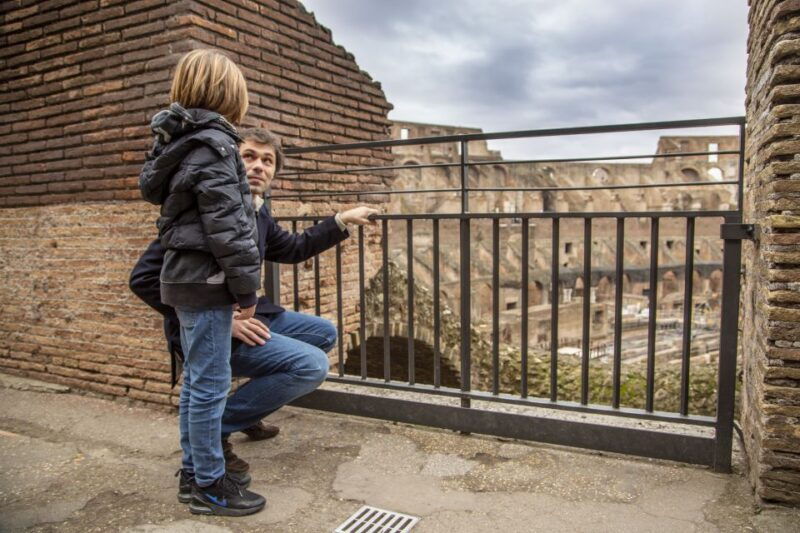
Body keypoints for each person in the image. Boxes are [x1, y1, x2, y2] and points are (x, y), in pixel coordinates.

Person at [130, 126, 378, 510]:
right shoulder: (209, 207)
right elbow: (143, 278)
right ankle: (218, 428)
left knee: (324, 333)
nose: (258, 166)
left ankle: (247, 410)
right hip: (209, 326)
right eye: (249, 157)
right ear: (232, 159)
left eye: (268, 160)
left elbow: (292, 247)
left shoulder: (257, 210)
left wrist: (341, 219)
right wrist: (225, 321)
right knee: (310, 366)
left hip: (252, 315)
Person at [137, 49, 265, 517]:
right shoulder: (216, 144)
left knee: (197, 383)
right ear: (230, 92)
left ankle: (195, 474)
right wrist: (247, 289)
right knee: (210, 386)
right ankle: (210, 487)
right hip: (207, 281)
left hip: (182, 277)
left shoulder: (180, 143)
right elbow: (229, 227)